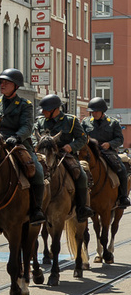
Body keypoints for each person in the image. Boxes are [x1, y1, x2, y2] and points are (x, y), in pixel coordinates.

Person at [0, 67, 46, 225]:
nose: (2, 85)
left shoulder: (25, 104)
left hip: (17, 143)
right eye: (1, 82)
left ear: (16, 86)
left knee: (37, 170)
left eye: (7, 83)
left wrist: (16, 137)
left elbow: (27, 126)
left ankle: (37, 209)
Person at [38, 94, 95, 224]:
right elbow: (34, 135)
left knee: (81, 175)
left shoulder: (71, 120)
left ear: (55, 109)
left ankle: (82, 208)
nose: (43, 112)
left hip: (65, 154)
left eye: (45, 109)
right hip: (45, 155)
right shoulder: (41, 121)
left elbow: (82, 138)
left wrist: (71, 146)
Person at [85, 97, 130, 212]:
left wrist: (109, 144)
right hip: (90, 152)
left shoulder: (113, 123)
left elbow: (120, 139)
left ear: (102, 111)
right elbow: (81, 137)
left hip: (107, 151)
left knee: (121, 169)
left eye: (95, 111)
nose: (93, 113)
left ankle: (123, 196)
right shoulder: (85, 122)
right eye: (92, 111)